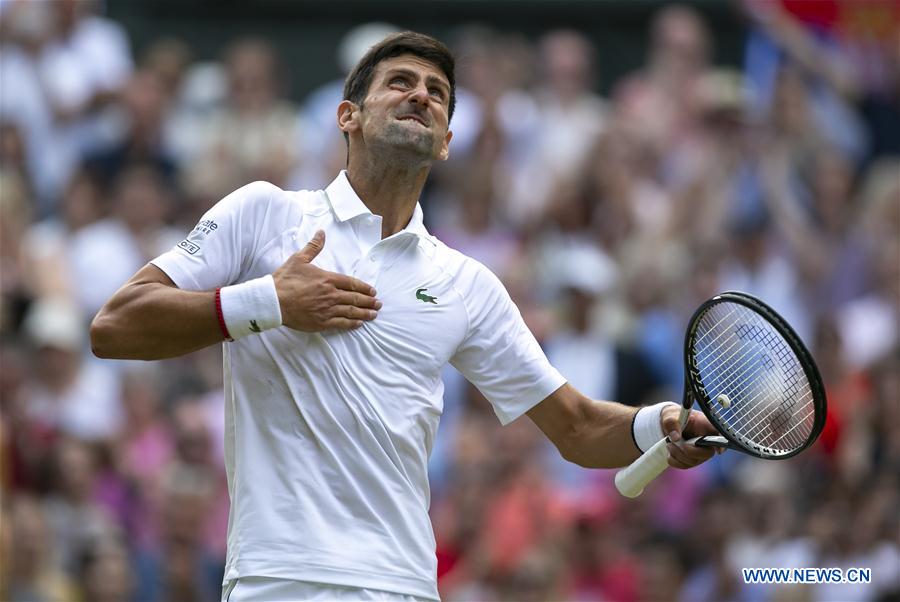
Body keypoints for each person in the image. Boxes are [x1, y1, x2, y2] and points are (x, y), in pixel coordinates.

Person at [91, 31, 719, 602]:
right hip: (277, 578)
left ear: (445, 143)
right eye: (400, 82)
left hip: (403, 586)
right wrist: (270, 303)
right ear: (349, 116)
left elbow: (577, 427)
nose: (421, 95)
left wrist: (657, 423)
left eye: (438, 94)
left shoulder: (467, 284)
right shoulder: (264, 213)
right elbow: (116, 325)